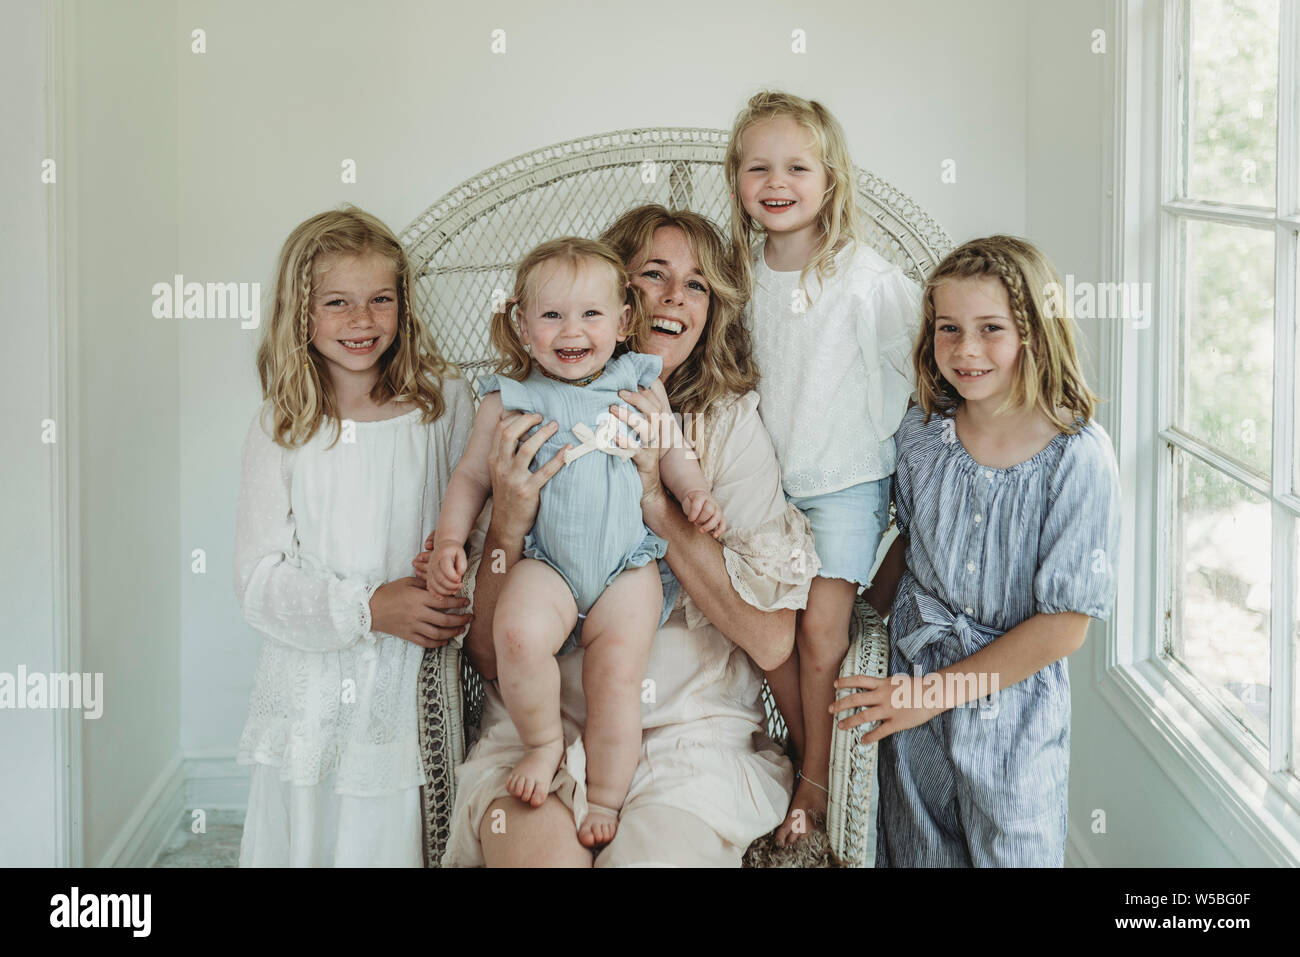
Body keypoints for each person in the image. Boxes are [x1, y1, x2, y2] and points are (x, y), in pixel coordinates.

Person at [424, 205, 819, 866]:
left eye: (695, 284)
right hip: (539, 731)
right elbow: (491, 654)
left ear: (618, 317)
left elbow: (773, 636)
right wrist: (513, 524)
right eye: (655, 275)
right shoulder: (525, 408)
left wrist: (659, 503)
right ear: (618, 292)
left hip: (688, 739)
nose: (674, 297)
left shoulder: (724, 426)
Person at [831, 235, 1121, 867]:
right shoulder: (922, 434)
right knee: (915, 848)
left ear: (1034, 334)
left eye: (991, 328)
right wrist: (863, 625)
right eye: (948, 329)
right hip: (912, 687)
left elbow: (1064, 627)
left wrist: (931, 693)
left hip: (1011, 713)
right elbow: (911, 545)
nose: (965, 350)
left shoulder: (1076, 457)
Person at [426, 237, 724, 847]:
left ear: (621, 324)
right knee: (517, 635)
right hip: (546, 563)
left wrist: (694, 495)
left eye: (591, 314)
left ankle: (608, 795)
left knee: (615, 674)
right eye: (552, 315)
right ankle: (542, 745)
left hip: (626, 569)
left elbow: (672, 451)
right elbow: (472, 478)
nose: (572, 329)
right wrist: (451, 538)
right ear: (522, 326)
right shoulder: (509, 399)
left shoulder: (639, 383)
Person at [233, 206, 473, 866]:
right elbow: (256, 580)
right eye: (337, 302)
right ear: (301, 312)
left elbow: (473, 515)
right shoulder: (282, 424)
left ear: (403, 305)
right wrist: (368, 608)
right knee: (311, 830)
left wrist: (450, 573)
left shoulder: (443, 403)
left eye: (379, 300)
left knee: (386, 832)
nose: (362, 321)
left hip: (408, 677)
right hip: (311, 677)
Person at [725, 90, 921, 844]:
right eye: (758, 167)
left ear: (831, 179)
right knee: (770, 631)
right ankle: (802, 754)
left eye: (798, 166)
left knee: (820, 636)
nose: (777, 181)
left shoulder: (865, 279)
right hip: (767, 486)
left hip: (841, 483)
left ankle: (816, 780)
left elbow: (923, 370)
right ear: (737, 179)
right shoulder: (742, 276)